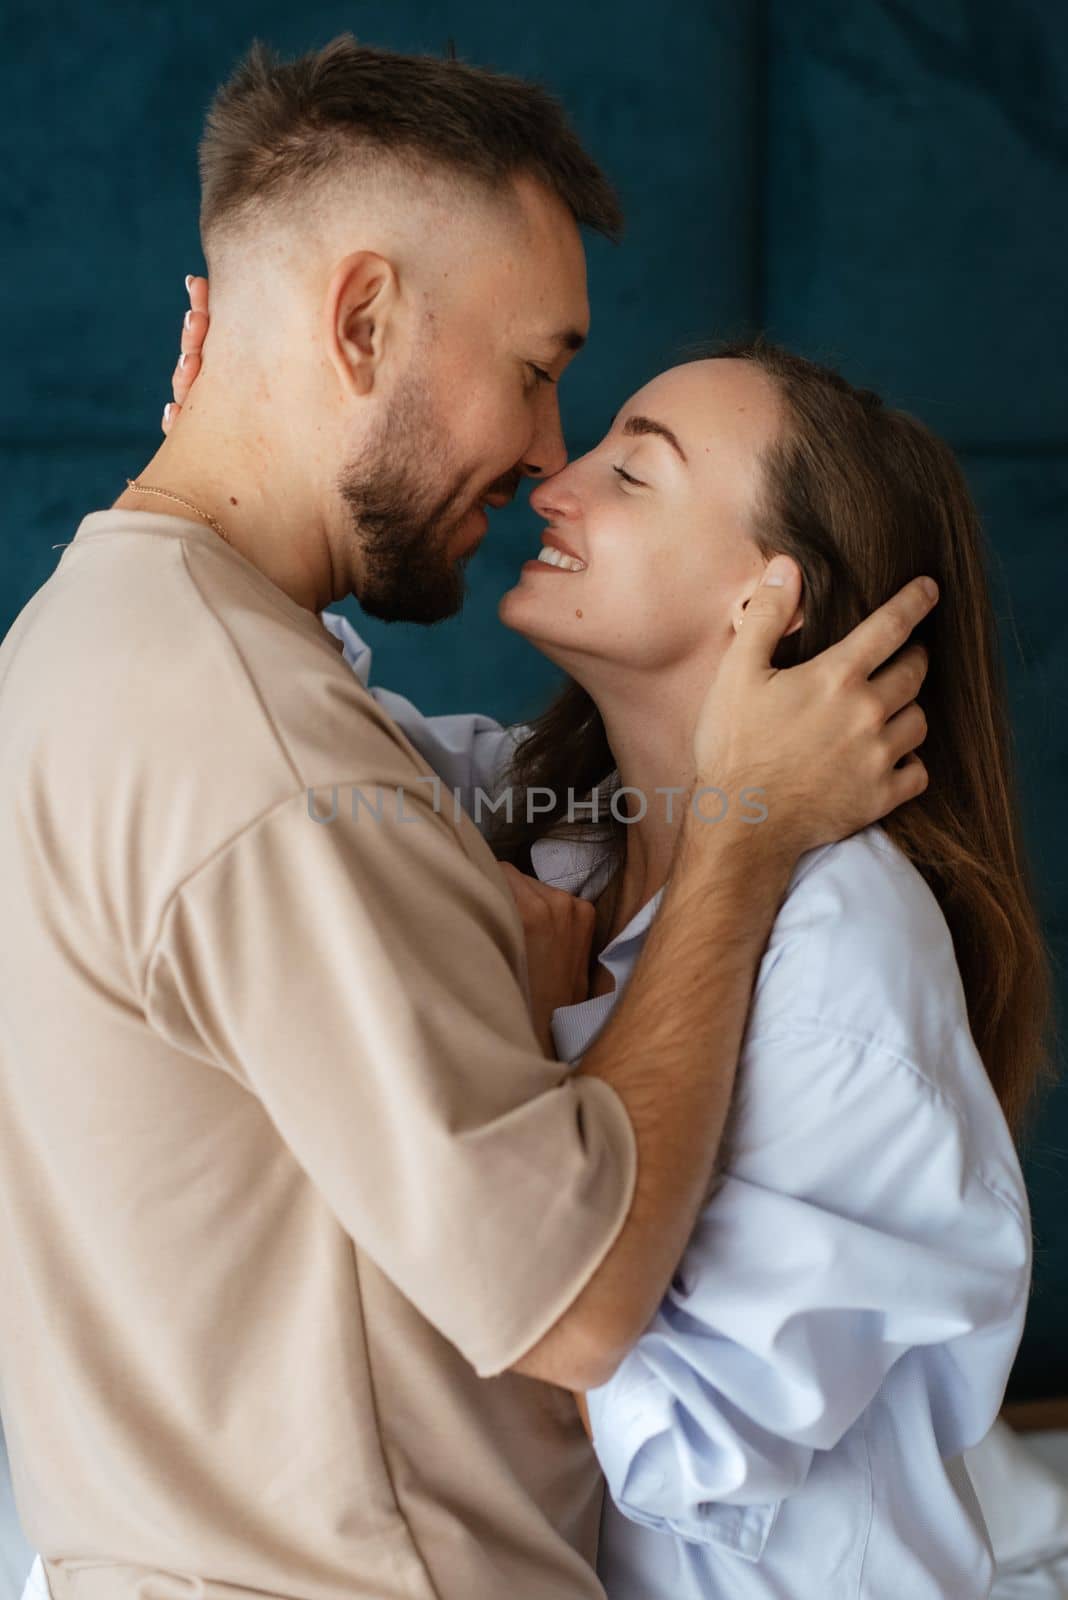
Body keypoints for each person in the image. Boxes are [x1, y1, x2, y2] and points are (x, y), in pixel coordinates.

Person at [1, 38, 936, 1600]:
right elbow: (573, 1311)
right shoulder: (258, 745)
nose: (550, 455)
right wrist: (746, 844)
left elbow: (454, 778)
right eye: (536, 369)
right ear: (361, 320)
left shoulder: (87, 647)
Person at [171, 295, 1049, 1597]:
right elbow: (258, 727)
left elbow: (667, 1428)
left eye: (632, 472)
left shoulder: (846, 959)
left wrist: (535, 1058)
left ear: (767, 600)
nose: (551, 482)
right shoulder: (545, 820)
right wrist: (220, 464)